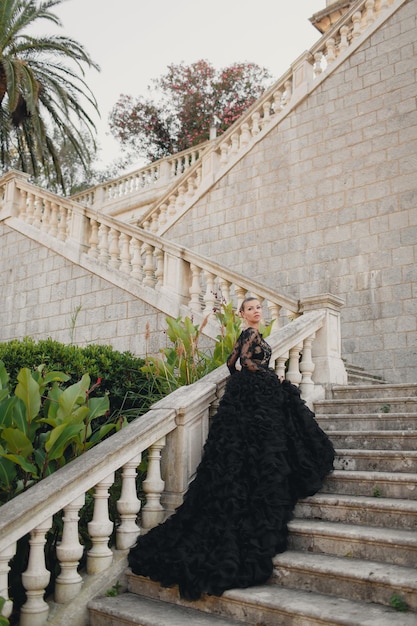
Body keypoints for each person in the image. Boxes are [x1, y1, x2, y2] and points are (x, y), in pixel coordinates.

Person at [128, 297, 335, 600]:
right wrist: (271, 376)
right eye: (250, 309)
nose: (256, 312)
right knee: (261, 450)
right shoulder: (250, 334)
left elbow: (230, 365)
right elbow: (246, 363)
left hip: (247, 394)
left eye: (258, 308)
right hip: (256, 392)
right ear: (242, 314)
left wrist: (244, 382)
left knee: (250, 452)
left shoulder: (251, 336)